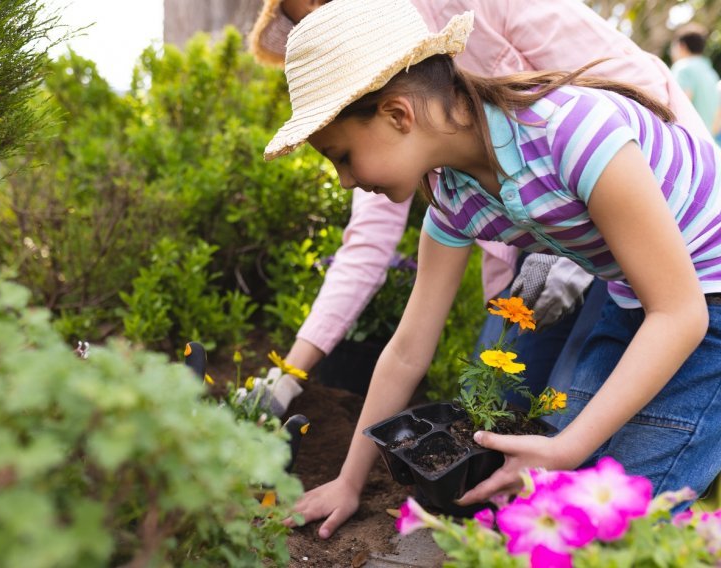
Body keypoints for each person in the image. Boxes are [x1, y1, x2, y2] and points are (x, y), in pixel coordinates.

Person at [264, 0, 721, 540]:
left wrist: (564, 447)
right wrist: (349, 480)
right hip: (635, 303)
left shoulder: (570, 131)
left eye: (341, 156)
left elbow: (681, 312)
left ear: (397, 115)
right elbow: (408, 349)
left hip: (701, 307)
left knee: (609, 519)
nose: (343, 180)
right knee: (554, 500)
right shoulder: (455, 197)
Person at [670, 23, 720, 133]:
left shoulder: (683, 68)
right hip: (709, 142)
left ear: (681, 46)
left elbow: (679, 107)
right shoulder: (712, 73)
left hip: (689, 140)